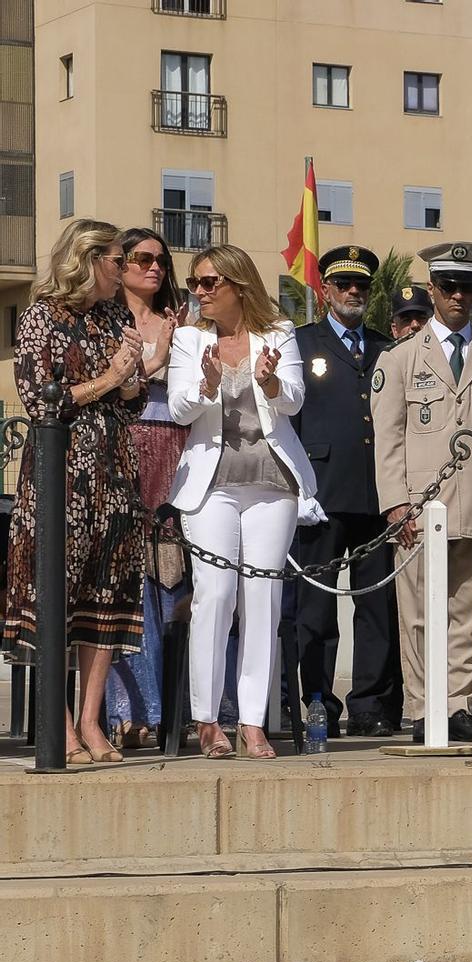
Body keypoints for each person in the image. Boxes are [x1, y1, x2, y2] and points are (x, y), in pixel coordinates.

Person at [2, 218, 149, 764]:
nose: (126, 270)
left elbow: (131, 399)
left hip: (114, 474)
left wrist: (133, 374)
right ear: (88, 260)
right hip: (60, 473)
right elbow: (42, 402)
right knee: (54, 598)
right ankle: (57, 724)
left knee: (105, 596)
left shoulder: (114, 315)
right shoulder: (42, 315)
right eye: (118, 260)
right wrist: (111, 378)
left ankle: (91, 723)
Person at [168, 244, 317, 760]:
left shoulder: (278, 333)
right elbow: (181, 409)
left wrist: (271, 380)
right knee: (214, 594)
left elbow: (295, 399)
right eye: (195, 283)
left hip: (271, 481)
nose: (200, 292)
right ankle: (208, 720)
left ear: (238, 285)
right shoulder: (189, 338)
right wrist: (207, 384)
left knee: (264, 599)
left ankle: (253, 721)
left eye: (210, 283)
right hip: (211, 483)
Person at [372, 240, 472, 746]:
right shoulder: (399, 358)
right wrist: (395, 503)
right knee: (419, 610)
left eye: (469, 287)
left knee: (468, 609)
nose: (460, 297)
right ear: (431, 290)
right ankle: (422, 706)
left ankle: (460, 703)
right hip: (421, 503)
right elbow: (388, 438)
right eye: (449, 287)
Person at [290, 244, 399, 739]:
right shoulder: (300, 343)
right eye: (345, 284)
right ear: (325, 290)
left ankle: (370, 706)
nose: (354, 292)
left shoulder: (386, 348)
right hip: (322, 493)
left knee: (377, 606)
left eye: (362, 285)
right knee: (315, 609)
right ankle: (318, 702)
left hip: (378, 494)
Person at [105, 226, 190, 753]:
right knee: (124, 586)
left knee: (171, 583)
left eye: (160, 259)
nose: (154, 267)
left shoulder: (181, 322)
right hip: (120, 448)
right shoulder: (106, 321)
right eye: (141, 258)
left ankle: (175, 713)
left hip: (175, 451)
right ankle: (129, 712)